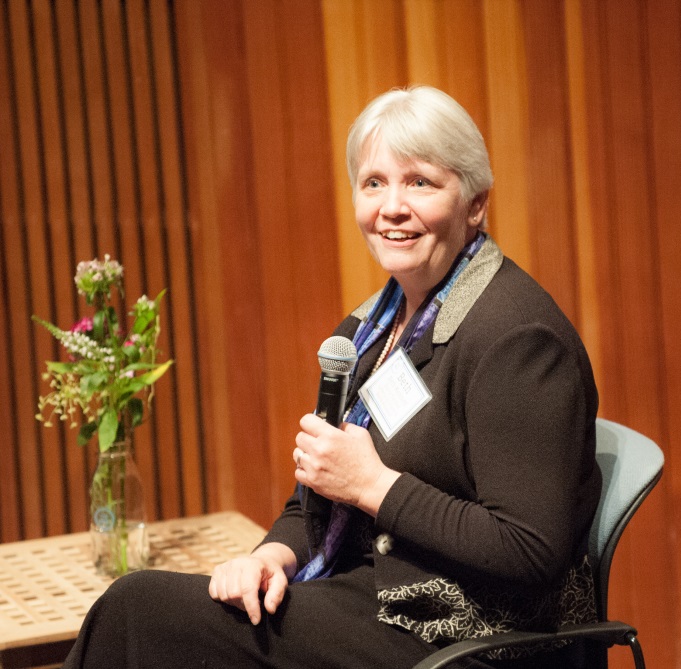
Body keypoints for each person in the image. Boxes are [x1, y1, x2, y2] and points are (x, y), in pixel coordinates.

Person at [63, 86, 602, 669]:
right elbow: (319, 494)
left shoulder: (517, 338)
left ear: (475, 203)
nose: (391, 207)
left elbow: (528, 548)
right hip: (373, 598)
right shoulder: (369, 328)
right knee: (152, 612)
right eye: (374, 183)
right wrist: (270, 557)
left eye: (420, 182)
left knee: (141, 610)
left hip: (465, 636)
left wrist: (375, 486)